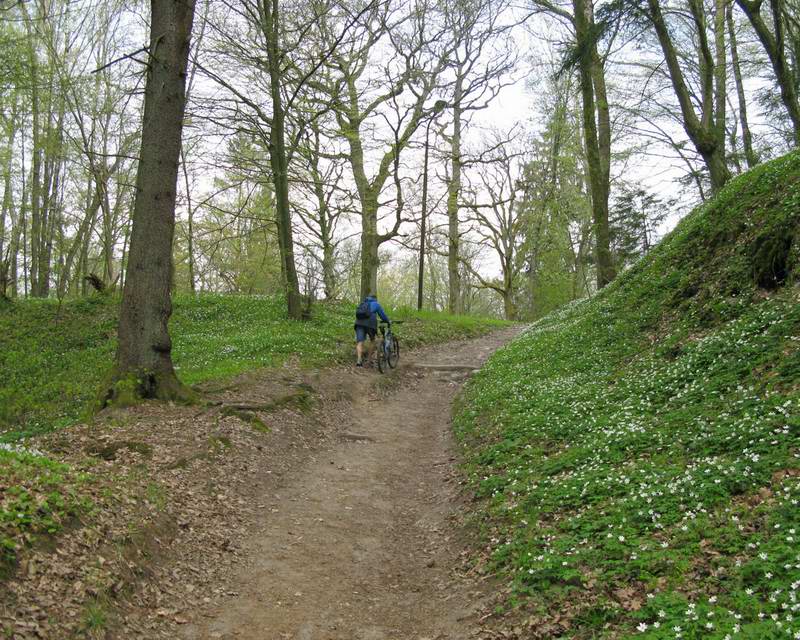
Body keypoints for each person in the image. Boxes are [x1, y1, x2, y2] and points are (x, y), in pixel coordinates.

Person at [354, 293, 390, 367]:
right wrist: (387, 321)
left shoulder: (362, 304)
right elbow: (382, 315)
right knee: (372, 341)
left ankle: (359, 360)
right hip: (370, 324)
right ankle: (369, 361)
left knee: (360, 342)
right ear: (375, 299)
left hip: (359, 323)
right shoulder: (376, 304)